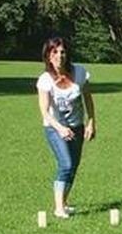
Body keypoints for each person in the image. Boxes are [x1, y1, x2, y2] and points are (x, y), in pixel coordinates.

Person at [35, 36, 96, 219]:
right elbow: (45, 112)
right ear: (48, 55)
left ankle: (65, 202)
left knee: (74, 166)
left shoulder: (79, 73)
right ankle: (58, 208)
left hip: (77, 126)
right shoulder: (45, 80)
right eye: (55, 52)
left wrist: (91, 122)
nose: (59, 56)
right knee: (66, 164)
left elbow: (88, 99)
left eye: (62, 52)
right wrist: (60, 128)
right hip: (54, 127)